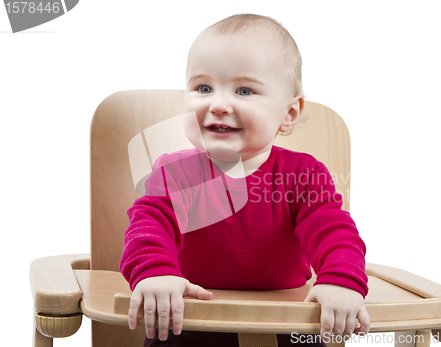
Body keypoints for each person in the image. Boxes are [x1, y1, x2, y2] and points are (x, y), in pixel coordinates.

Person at [120, 13, 370, 347]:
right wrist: (156, 273)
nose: (219, 104)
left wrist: (341, 280)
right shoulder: (175, 174)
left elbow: (333, 230)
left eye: (244, 90)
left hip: (288, 322)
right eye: (203, 88)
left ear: (289, 113)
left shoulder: (305, 176)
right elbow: (149, 224)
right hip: (190, 317)